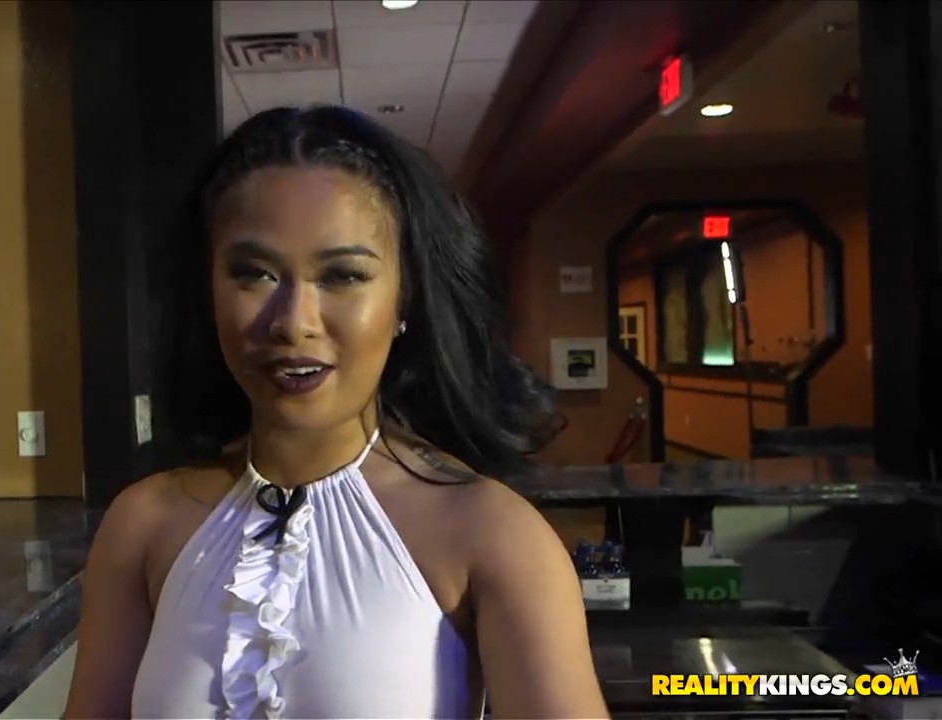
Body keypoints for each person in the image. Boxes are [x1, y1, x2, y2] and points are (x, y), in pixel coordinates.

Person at [62, 105, 608, 719]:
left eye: (343, 276)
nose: (293, 322)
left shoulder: (493, 534)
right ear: (207, 291)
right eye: (254, 274)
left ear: (405, 299)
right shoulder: (140, 526)